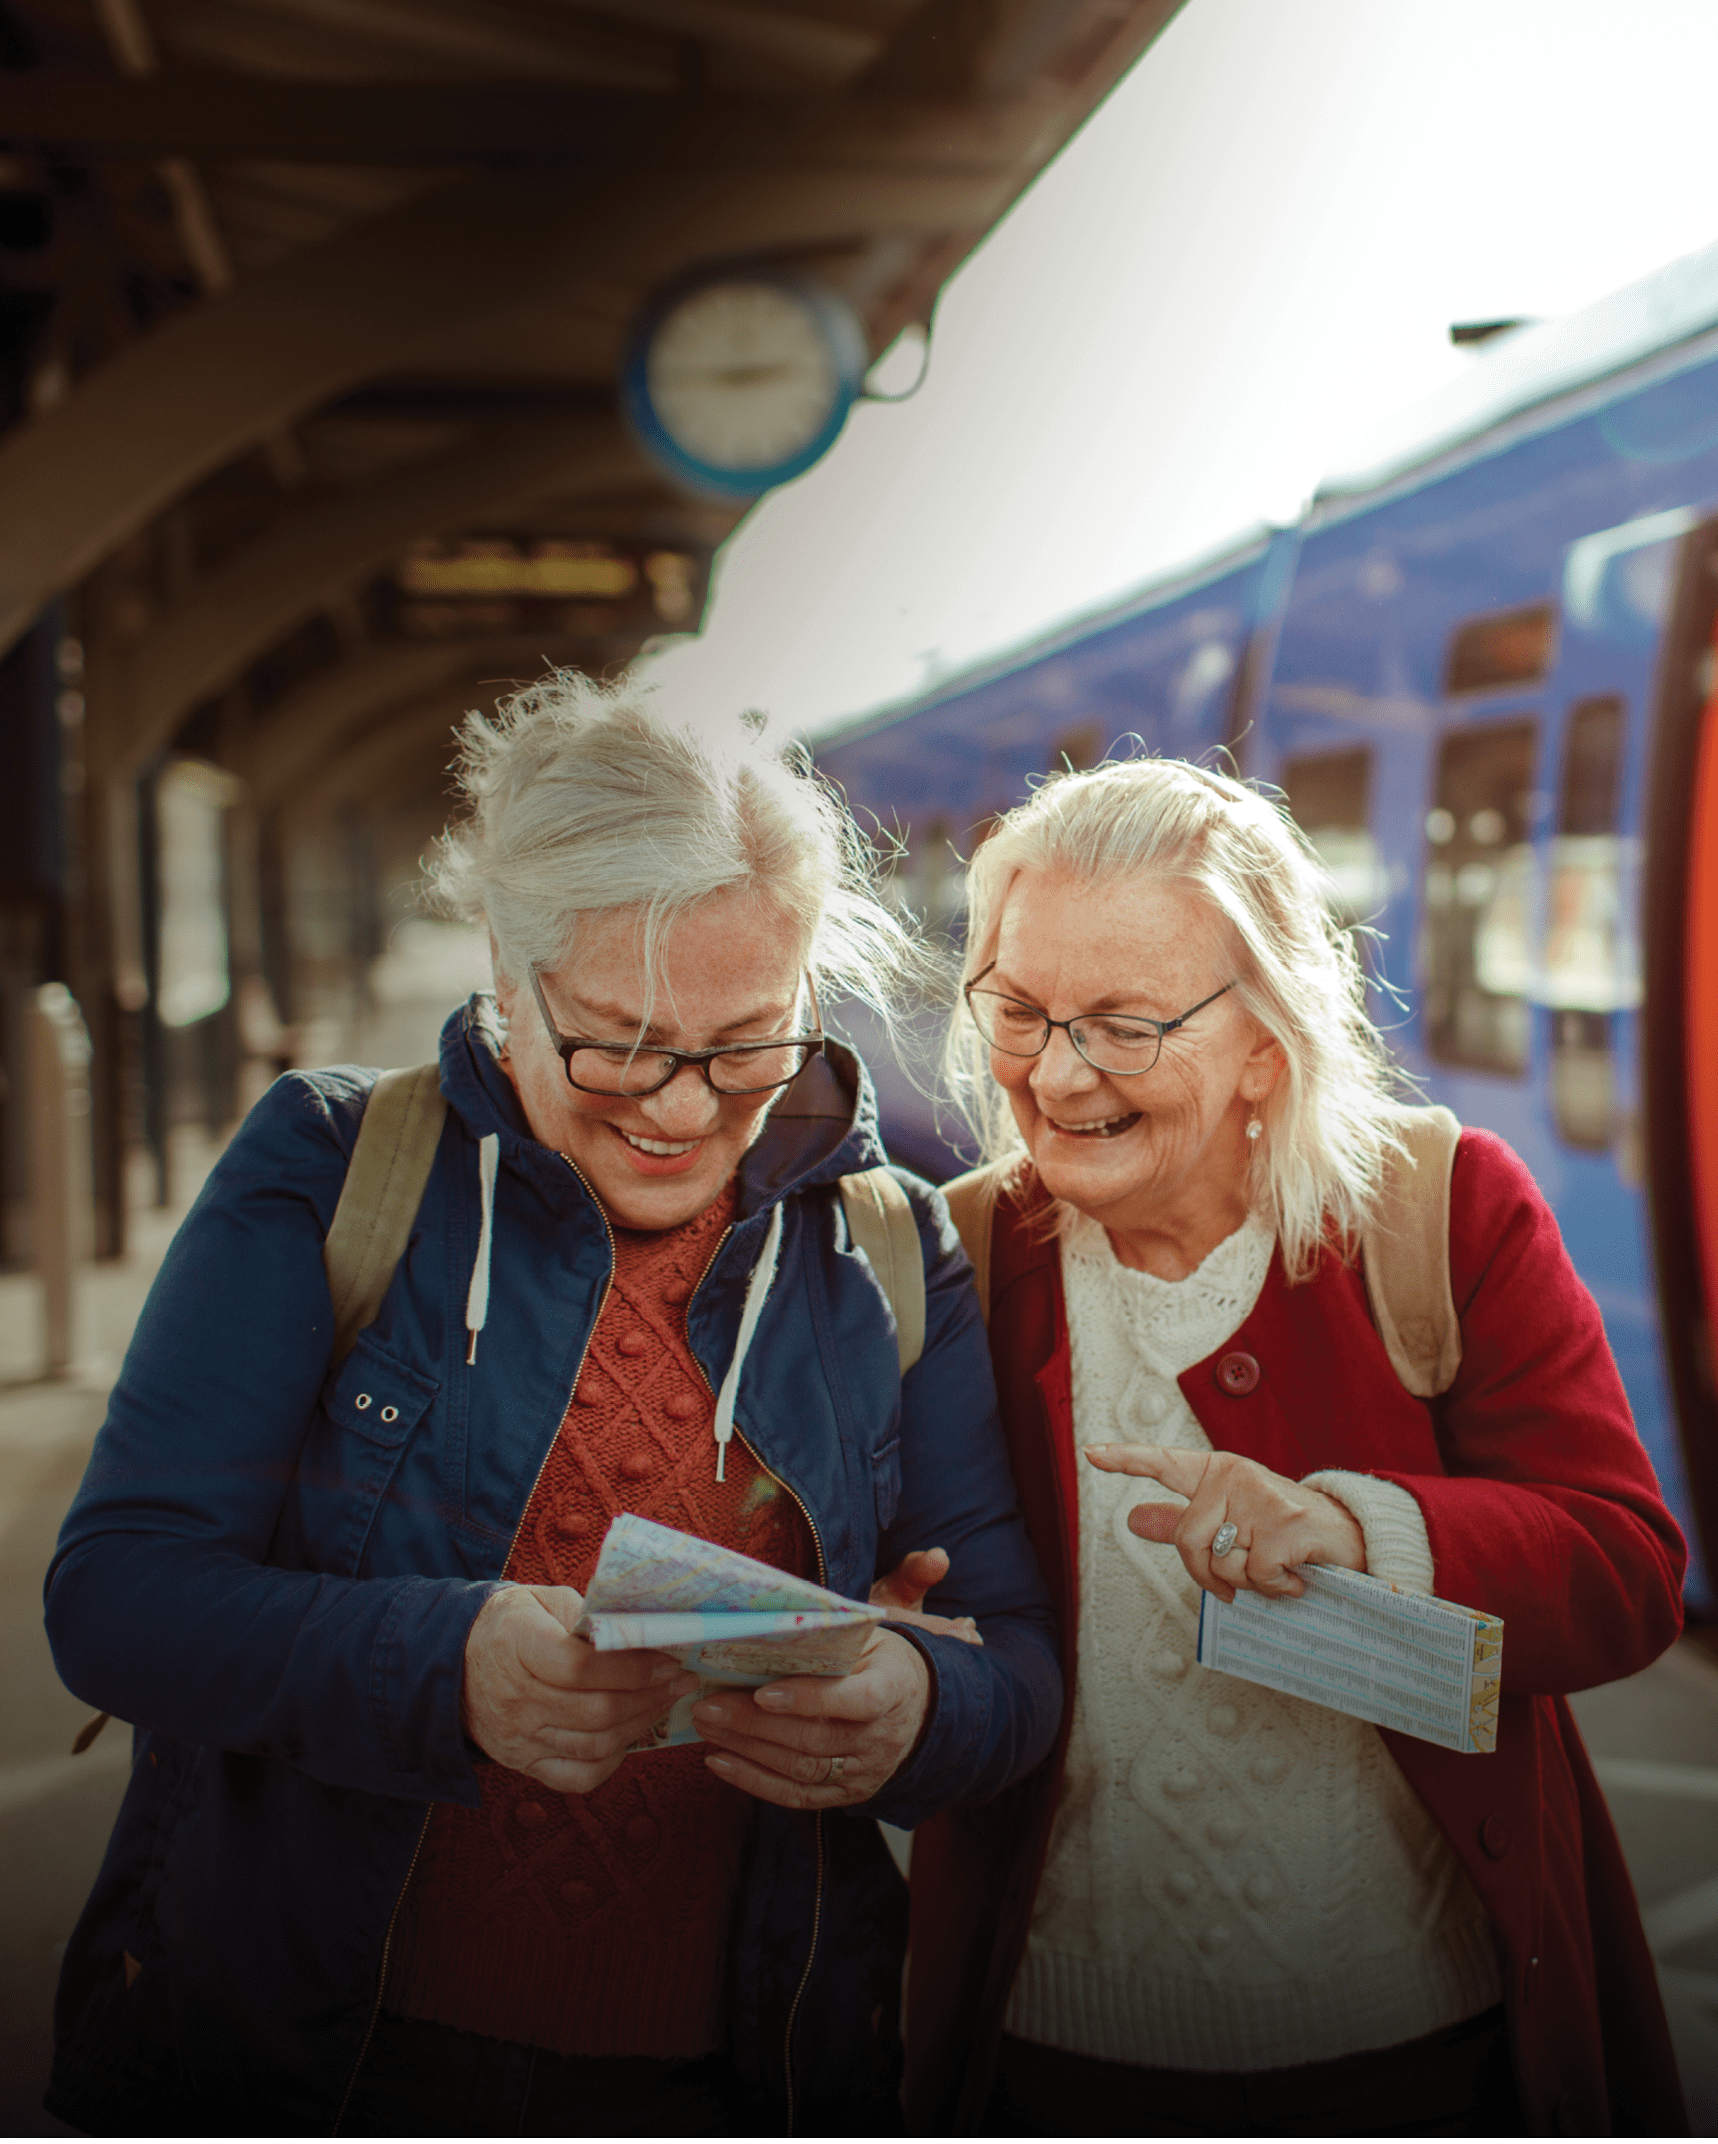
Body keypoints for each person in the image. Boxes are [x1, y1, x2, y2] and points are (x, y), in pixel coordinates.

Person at [44, 675, 1061, 2138]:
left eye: (747, 1042)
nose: (686, 1109)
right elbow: (118, 1596)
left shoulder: (888, 1252)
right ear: (506, 982)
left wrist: (919, 1708)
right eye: (617, 1041)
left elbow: (1018, 1662)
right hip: (312, 2069)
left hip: (741, 2079)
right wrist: (444, 1662)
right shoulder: (335, 1171)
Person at [901, 756, 1688, 2139]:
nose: (1056, 1072)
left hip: (1414, 2050)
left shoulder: (1438, 1214)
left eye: (1124, 1025)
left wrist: (1360, 1531)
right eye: (1020, 1010)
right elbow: (916, 1651)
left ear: (1267, 1038)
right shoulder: (956, 1258)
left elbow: (1626, 1570)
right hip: (1049, 2056)